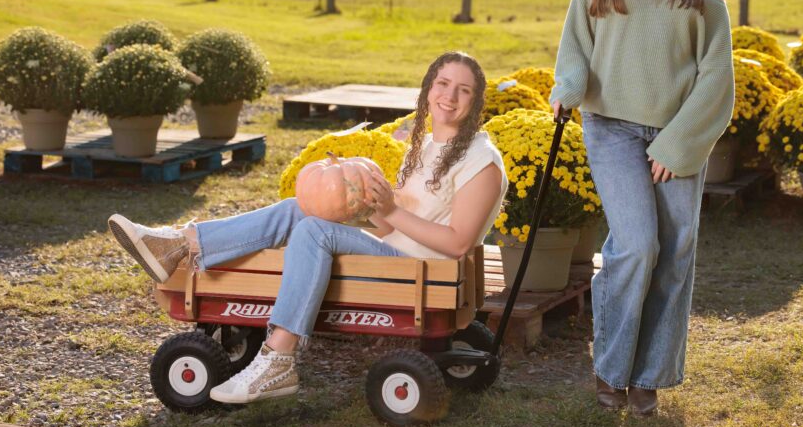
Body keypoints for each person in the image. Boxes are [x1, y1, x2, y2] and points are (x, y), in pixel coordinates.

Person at [108, 51, 508, 404]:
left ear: (476, 102)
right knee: (298, 209)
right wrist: (360, 202)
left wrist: (390, 209)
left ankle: (279, 358)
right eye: (442, 83)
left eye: (463, 90)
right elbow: (391, 227)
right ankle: (180, 242)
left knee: (314, 230)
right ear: (427, 89)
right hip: (400, 258)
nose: (449, 97)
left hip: (420, 270)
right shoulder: (427, 146)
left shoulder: (481, 162)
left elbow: (458, 244)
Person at [550, 0, 734, 416]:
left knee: (675, 252)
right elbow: (577, 38)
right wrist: (568, 86)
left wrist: (677, 145)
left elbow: (717, 73)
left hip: (676, 136)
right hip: (611, 128)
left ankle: (648, 376)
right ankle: (611, 369)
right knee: (637, 245)